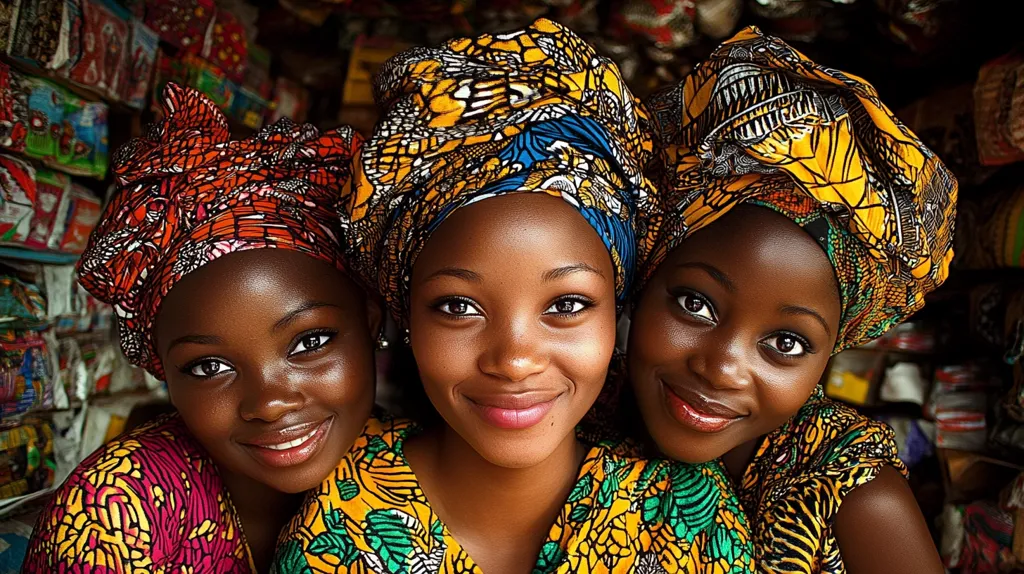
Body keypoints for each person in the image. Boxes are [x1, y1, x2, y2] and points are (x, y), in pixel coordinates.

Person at [272, 19, 753, 574]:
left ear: (618, 314)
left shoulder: (686, 520)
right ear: (402, 316)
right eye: (458, 306)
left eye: (567, 305)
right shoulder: (335, 531)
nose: (515, 360)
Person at [625, 27, 956, 573]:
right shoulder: (559, 421)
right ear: (644, 280)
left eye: (786, 342)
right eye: (695, 304)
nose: (722, 367)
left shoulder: (849, 495)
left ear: (832, 354)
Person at [22, 84, 381, 573]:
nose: (269, 402)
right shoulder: (117, 513)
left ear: (371, 318)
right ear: (162, 371)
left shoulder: (421, 473)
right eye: (208, 366)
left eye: (309, 342)